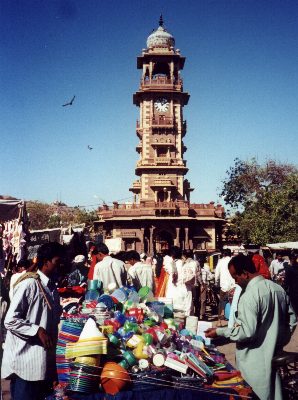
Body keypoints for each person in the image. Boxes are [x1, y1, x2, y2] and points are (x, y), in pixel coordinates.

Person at [205, 254, 297, 400]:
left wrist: (219, 331)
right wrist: (277, 340)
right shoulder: (277, 289)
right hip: (273, 355)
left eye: (236, 277)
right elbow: (292, 320)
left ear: (245, 274)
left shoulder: (249, 296)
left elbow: (246, 332)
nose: (236, 282)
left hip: (253, 363)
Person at [1, 242, 64, 400]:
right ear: (46, 262)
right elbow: (10, 320)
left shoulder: (51, 288)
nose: (59, 266)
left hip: (41, 363)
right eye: (57, 262)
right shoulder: (29, 284)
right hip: (25, 362)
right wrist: (37, 330)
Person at [214, 249, 235, 325]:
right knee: (233, 302)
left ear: (223, 254)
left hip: (224, 287)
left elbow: (217, 274)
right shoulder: (233, 261)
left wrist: (216, 283)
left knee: (222, 302)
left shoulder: (221, 262)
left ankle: (220, 318)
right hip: (233, 287)